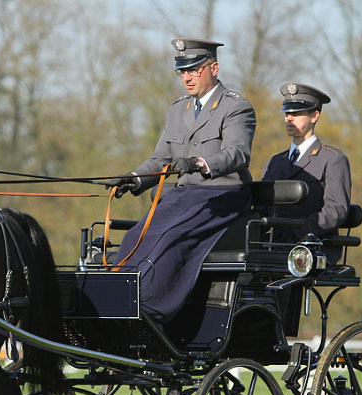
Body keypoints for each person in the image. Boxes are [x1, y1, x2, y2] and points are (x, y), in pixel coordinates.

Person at [109, 38, 256, 325]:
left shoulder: (236, 108)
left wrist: (199, 163)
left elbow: (238, 153)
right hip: (183, 195)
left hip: (221, 195)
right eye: (182, 71)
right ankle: (118, 304)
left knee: (169, 237)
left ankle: (152, 311)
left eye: (194, 70)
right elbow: (160, 159)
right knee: (133, 238)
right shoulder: (177, 110)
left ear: (213, 68)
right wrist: (134, 178)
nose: (187, 77)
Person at [261, 82, 352, 264]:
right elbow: (262, 208)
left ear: (314, 115)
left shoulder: (332, 159)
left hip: (313, 246)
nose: (289, 119)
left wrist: (303, 228)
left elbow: (336, 209)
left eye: (296, 114)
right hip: (274, 246)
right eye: (287, 114)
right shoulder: (275, 162)